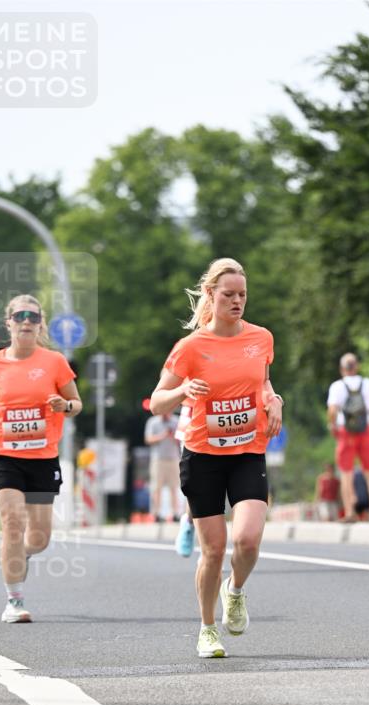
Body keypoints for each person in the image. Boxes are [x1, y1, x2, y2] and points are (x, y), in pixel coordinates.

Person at [150, 258, 283, 658]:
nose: (237, 301)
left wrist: (274, 401)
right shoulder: (191, 348)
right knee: (213, 549)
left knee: (247, 540)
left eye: (242, 294)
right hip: (203, 456)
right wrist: (182, 391)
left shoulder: (261, 338)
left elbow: (262, 380)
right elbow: (157, 401)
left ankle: (236, 590)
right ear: (211, 295)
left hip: (247, 451)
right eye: (229, 295)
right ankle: (207, 629)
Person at [0, 294, 81, 623]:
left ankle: (22, 554)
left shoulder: (54, 362)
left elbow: (76, 403)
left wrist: (64, 406)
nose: (26, 321)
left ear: (40, 323)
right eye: (20, 316)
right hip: (4, 455)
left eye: (33, 316)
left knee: (39, 538)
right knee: (12, 522)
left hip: (43, 458)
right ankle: (14, 601)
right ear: (9, 323)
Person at [326, 353, 369, 522]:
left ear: (342, 368)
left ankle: (350, 512)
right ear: (357, 367)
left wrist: (333, 426)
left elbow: (332, 411)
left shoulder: (337, 386)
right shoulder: (368, 384)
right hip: (366, 431)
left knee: (346, 474)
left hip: (346, 433)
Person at [144, 410, 181, 522]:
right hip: (158, 459)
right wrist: (162, 436)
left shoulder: (176, 421)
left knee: (174, 487)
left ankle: (175, 513)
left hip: (173, 458)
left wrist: (172, 436)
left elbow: (182, 439)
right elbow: (148, 439)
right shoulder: (153, 422)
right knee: (156, 487)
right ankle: (156, 513)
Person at [174, 404, 196, 557]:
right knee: (197, 486)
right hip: (193, 422)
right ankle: (188, 522)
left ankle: (212, 551)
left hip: (229, 420)